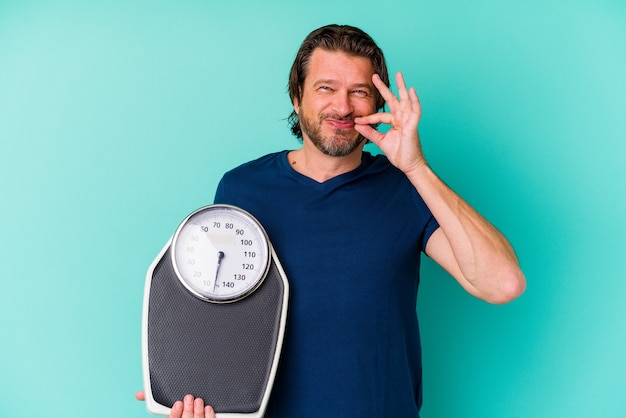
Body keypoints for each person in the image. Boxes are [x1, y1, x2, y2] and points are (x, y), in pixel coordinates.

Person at [136, 24, 525, 417]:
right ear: (297, 96)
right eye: (326, 88)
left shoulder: (406, 190)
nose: (343, 107)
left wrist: (416, 167)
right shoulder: (241, 190)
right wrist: (180, 387)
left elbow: (502, 284)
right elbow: (218, 313)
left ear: (376, 105)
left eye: (359, 92)